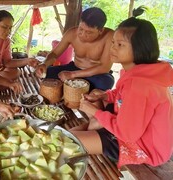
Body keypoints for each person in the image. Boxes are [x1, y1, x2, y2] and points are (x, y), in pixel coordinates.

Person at [71, 9, 173, 167]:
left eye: (120, 44)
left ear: (140, 49)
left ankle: (94, 125)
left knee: (67, 143)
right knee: (95, 102)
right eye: (113, 42)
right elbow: (121, 96)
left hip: (144, 146)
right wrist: (105, 96)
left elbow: (127, 134)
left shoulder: (140, 86)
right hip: (132, 128)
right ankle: (94, 126)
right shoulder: (138, 72)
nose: (113, 48)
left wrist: (94, 112)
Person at [35, 7, 115, 91]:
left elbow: (104, 68)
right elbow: (55, 54)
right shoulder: (71, 33)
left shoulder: (109, 36)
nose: (82, 34)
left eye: (89, 32)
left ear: (101, 30)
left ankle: (72, 84)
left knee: (105, 82)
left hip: (96, 74)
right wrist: (44, 64)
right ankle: (77, 86)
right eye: (81, 29)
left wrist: (73, 75)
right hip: (74, 68)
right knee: (46, 72)